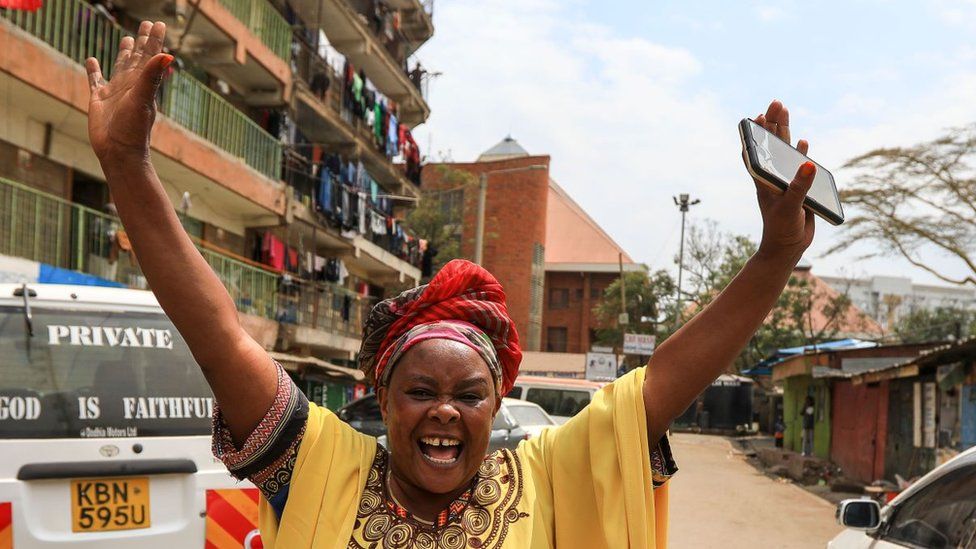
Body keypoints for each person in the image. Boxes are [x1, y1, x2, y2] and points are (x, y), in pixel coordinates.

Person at [84, 21, 820, 549]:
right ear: (381, 394)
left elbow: (662, 381)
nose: (445, 411)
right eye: (421, 390)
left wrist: (774, 257)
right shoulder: (321, 463)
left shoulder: (549, 476)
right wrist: (129, 169)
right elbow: (219, 336)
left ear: (497, 402)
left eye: (468, 393)